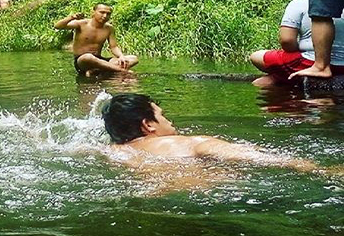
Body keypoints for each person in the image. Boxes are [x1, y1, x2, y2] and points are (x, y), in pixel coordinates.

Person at [101, 93, 316, 170]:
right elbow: (250, 157)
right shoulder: (188, 143)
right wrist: (305, 166)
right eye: (162, 115)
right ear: (149, 125)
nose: (169, 120)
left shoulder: (114, 151)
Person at [54, 3, 138, 77]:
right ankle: (120, 70)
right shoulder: (81, 24)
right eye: (102, 12)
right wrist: (71, 17)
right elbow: (58, 26)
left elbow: (114, 47)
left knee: (133, 58)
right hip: (83, 61)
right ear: (93, 12)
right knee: (88, 57)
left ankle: (97, 70)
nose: (105, 16)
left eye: (108, 14)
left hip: (99, 59)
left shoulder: (109, 28)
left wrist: (121, 56)